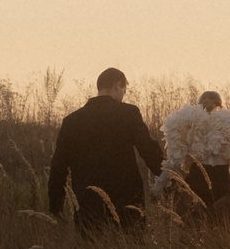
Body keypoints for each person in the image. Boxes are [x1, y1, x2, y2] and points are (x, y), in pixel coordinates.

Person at [47, 67, 164, 232]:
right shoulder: (128, 113)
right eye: (124, 90)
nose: (123, 96)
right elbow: (148, 150)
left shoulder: (72, 121)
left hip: (87, 202)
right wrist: (169, 179)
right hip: (128, 202)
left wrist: (56, 206)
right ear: (117, 85)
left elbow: (59, 166)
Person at [158, 89, 230, 228]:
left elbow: (174, 162)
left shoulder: (189, 124)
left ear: (198, 106)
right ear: (221, 106)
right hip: (221, 185)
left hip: (195, 185)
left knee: (192, 236)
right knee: (222, 237)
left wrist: (158, 186)